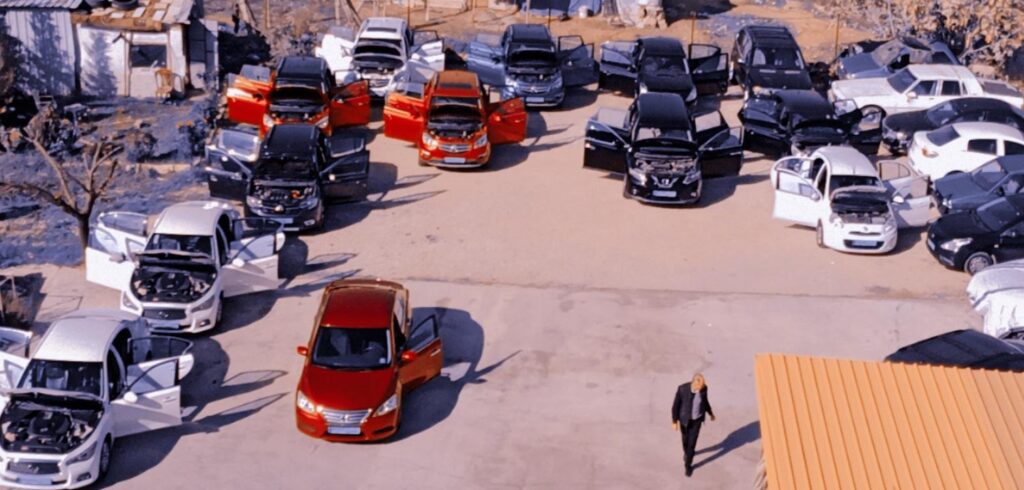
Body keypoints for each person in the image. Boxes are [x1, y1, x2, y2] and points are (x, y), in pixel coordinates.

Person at [672, 373, 715, 477]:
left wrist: (710, 413)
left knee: (692, 444)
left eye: (702, 387)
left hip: (697, 421)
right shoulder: (682, 389)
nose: (701, 389)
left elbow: (705, 402)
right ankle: (687, 453)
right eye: (699, 387)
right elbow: (675, 406)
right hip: (685, 420)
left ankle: (688, 465)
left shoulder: (704, 389)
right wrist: (674, 421)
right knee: (685, 441)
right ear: (694, 383)